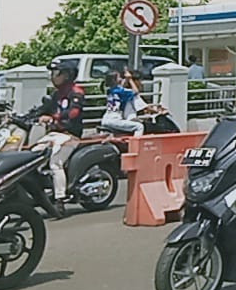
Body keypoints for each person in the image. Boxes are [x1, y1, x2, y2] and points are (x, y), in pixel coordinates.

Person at [26, 59, 87, 215]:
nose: (53, 76)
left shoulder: (77, 92)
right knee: (32, 156)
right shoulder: (56, 94)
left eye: (56, 73)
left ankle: (60, 199)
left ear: (67, 75)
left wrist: (54, 117)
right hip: (54, 134)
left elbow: (73, 113)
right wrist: (22, 117)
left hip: (70, 136)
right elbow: (42, 110)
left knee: (56, 163)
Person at [101, 70, 147, 136]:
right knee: (139, 127)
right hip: (114, 120)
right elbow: (136, 91)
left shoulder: (110, 90)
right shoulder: (121, 91)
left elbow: (122, 87)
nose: (121, 79)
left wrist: (127, 79)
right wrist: (130, 79)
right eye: (119, 77)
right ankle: (135, 143)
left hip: (106, 119)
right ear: (114, 80)